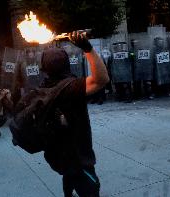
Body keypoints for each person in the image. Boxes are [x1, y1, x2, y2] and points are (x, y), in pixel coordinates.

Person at [40, 31, 109, 197]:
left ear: (44, 69)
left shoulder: (41, 89)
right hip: (79, 157)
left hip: (57, 155)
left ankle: (68, 193)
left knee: (68, 175)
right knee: (90, 188)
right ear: (67, 65)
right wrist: (87, 48)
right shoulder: (71, 88)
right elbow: (102, 79)